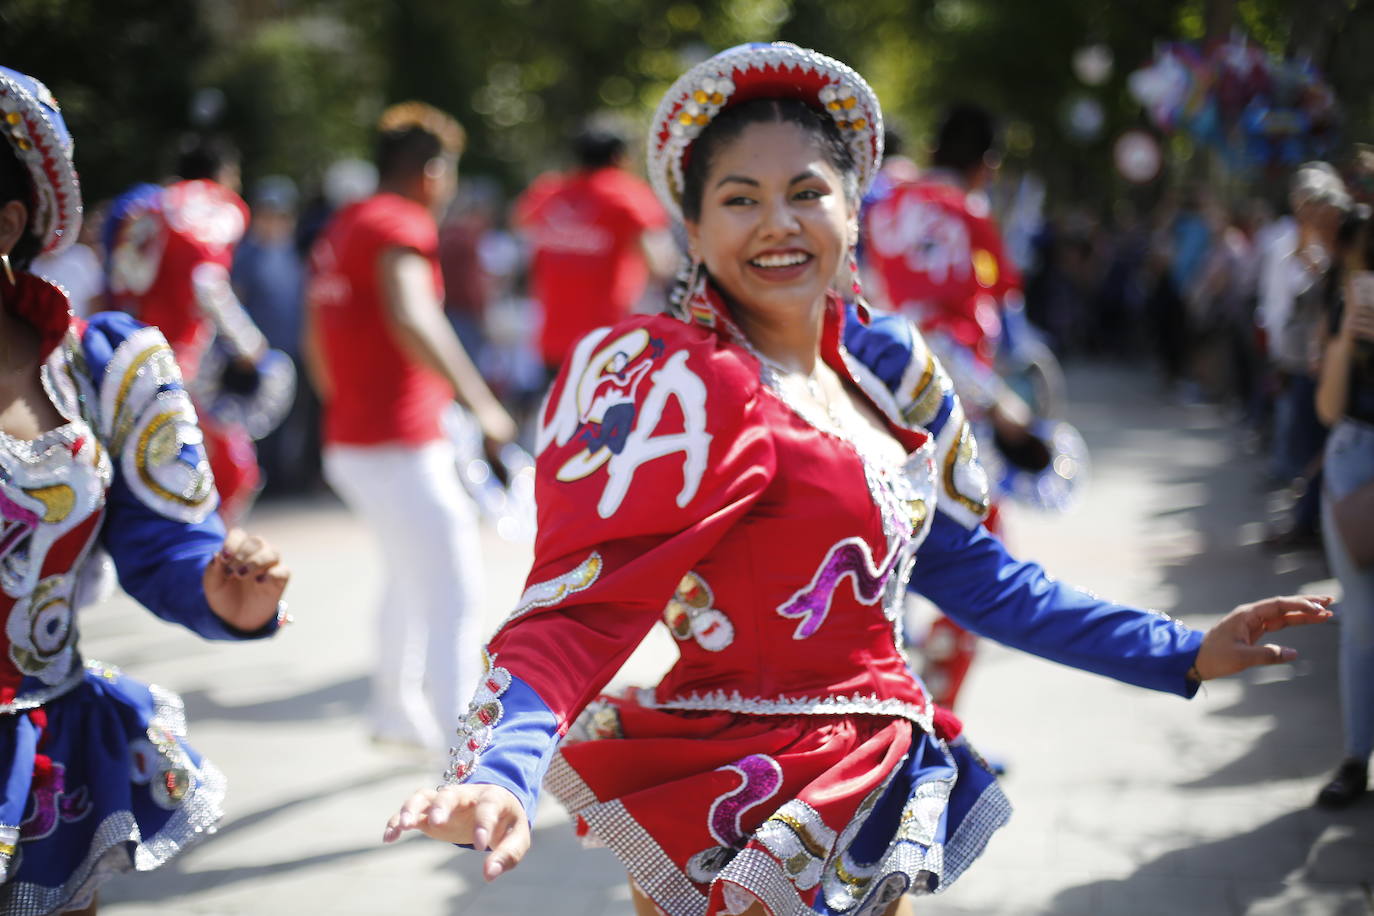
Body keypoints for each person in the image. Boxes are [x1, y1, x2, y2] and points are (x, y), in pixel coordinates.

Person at [383, 44, 1332, 916]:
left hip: (874, 782)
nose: (778, 224)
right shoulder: (684, 385)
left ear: (852, 207)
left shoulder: (885, 378)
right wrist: (499, 770)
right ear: (696, 227)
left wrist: (1180, 650)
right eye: (740, 199)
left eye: (807, 191)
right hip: (744, 804)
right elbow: (577, 609)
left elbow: (985, 580)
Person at [0, 67, 290, 914]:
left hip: (41, 753)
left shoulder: (102, 371)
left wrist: (226, 590)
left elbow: (166, 543)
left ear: (9, 222)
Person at [304, 103, 516, 753]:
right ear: (430, 172)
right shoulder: (400, 223)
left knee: (405, 575)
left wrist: (348, 403)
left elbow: (313, 338)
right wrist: (481, 403)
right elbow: (413, 313)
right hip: (399, 444)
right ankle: (462, 757)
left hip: (355, 440)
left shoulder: (343, 225)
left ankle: (394, 713)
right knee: (453, 592)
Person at [860, 102, 1036, 710]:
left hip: (884, 390)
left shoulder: (883, 208)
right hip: (956, 405)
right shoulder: (968, 211)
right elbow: (999, 299)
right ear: (986, 163)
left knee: (886, 562)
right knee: (988, 560)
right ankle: (939, 721)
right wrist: (1005, 402)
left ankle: (890, 717)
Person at [103, 137, 275, 523]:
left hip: (132, 353)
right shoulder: (208, 205)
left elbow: (124, 278)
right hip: (183, 360)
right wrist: (251, 346)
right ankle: (213, 556)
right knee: (234, 469)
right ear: (225, 174)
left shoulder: (150, 205)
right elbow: (207, 280)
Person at [514, 123, 676, 375]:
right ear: (619, 157)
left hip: (553, 341)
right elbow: (661, 263)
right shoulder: (626, 194)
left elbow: (519, 224)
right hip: (612, 343)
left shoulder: (548, 194)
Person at [1313, 205, 1374, 808]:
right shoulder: (1349, 304)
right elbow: (1329, 410)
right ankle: (1357, 758)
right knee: (1361, 620)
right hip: (1357, 459)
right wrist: (1346, 337)